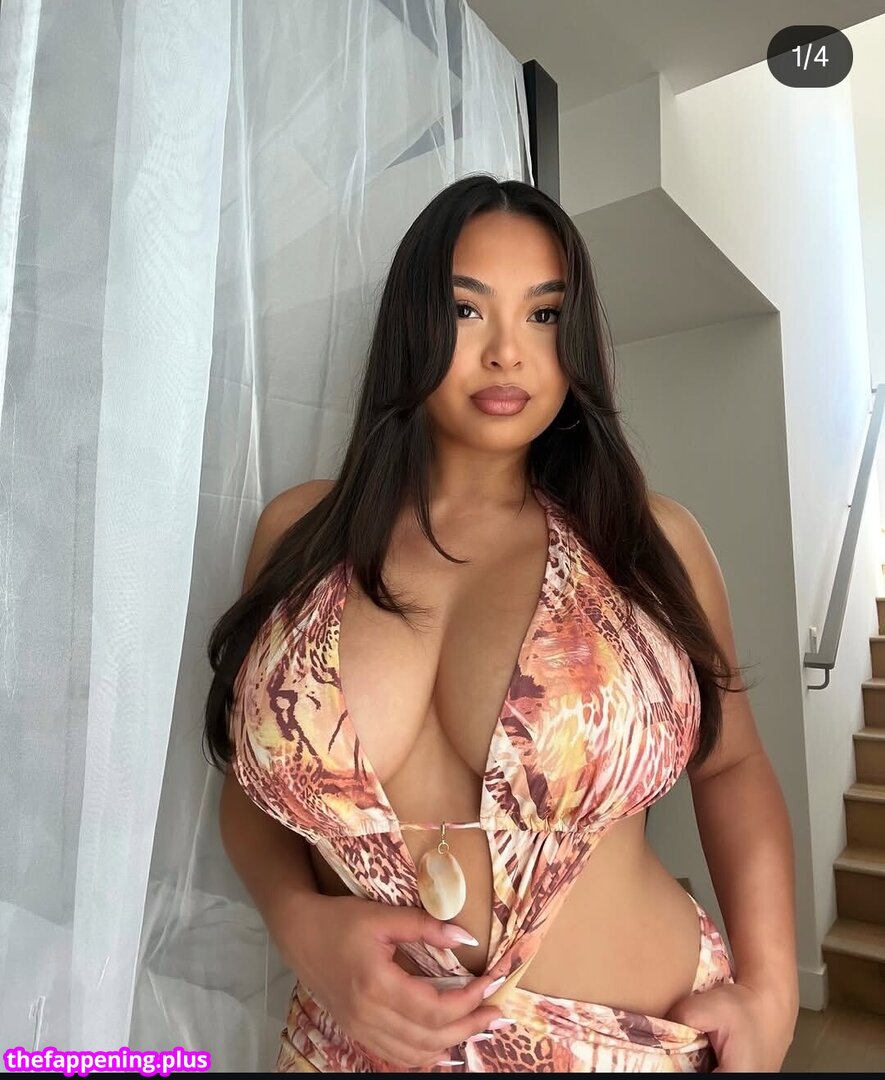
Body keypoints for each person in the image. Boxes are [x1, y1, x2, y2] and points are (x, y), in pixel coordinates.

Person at [203, 175, 799, 1073]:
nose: (507, 354)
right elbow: (251, 780)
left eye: (544, 315)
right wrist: (299, 923)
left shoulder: (647, 543)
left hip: (621, 1047)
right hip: (349, 1047)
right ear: (412, 324)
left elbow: (733, 764)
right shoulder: (301, 537)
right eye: (467, 310)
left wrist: (774, 988)